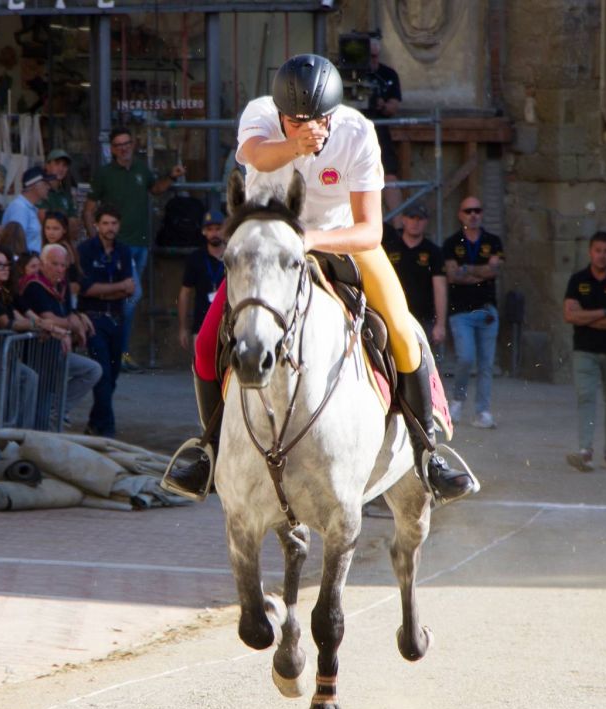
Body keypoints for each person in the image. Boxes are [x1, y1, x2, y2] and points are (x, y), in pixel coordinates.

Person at [165, 53, 477, 504]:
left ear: (332, 114)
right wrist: (296, 146)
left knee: (404, 332)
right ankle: (207, 450)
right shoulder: (259, 114)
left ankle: (427, 451)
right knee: (207, 340)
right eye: (295, 121)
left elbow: (370, 229)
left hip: (338, 242)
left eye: (317, 121)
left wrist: (311, 239)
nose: (308, 127)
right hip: (269, 249)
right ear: (280, 114)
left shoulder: (357, 131)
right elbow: (256, 155)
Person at [83, 127, 185, 372]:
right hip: (119, 246)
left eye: (126, 143)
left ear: (133, 144)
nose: (123, 148)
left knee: (124, 298)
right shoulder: (105, 174)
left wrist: (171, 177)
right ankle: (119, 350)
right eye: (118, 145)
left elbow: (155, 189)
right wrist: (95, 240)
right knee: (132, 296)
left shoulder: (141, 168)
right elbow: (89, 209)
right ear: (112, 149)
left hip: (141, 244)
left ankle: (116, 351)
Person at [562, 230, 606, 472]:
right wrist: (604, 312)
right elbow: (569, 315)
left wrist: (586, 317)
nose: (602, 256)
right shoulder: (577, 280)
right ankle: (585, 451)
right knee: (586, 396)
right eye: (598, 251)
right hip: (585, 350)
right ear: (590, 252)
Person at [20, 243, 103, 430]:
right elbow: (49, 318)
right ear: (43, 264)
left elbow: (69, 314)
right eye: (54, 264)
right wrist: (72, 325)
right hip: (37, 355)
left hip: (55, 352)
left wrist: (77, 319)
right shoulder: (34, 285)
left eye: (63, 265)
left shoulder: (61, 284)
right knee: (38, 419)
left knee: (93, 370)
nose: (59, 269)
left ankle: (59, 409)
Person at [443, 196, 503, 430]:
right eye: (468, 211)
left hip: (486, 310)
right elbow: (452, 275)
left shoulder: (493, 241)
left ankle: (483, 411)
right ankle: (457, 400)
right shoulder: (451, 242)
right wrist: (480, 272)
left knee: (486, 363)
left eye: (477, 210)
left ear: (482, 213)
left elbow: (494, 271)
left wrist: (466, 269)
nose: (473, 215)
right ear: (460, 214)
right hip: (461, 311)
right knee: (466, 357)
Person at [75, 205, 134, 437]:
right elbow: (86, 289)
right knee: (103, 373)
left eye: (114, 223)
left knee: (113, 373)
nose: (110, 228)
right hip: (94, 319)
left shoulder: (124, 250)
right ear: (97, 225)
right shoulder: (85, 250)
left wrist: (104, 291)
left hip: (117, 318)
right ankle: (107, 428)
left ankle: (95, 422)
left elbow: (130, 289)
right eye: (106, 223)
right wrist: (116, 289)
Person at [383, 204, 446, 351]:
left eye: (420, 219)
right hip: (394, 316)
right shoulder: (389, 248)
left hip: (424, 319)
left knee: (426, 363)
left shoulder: (434, 252)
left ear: (426, 222)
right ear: (403, 220)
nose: (415, 222)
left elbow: (440, 288)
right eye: (411, 217)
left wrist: (440, 324)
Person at [362, 34, 404, 217]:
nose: (373, 61)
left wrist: (382, 105)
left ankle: (398, 225)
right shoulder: (351, 75)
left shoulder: (388, 74)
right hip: (355, 130)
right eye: (369, 57)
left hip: (379, 130)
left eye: (375, 56)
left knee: (389, 175)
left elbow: (394, 105)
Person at [177, 210, 225, 352]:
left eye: (218, 229)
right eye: (210, 229)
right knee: (202, 364)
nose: (214, 233)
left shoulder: (234, 256)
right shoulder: (196, 258)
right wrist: (183, 327)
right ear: (204, 232)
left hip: (229, 325)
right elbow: (185, 293)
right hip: (202, 325)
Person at [2, 166, 49, 254]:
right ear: (35, 185)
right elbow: (16, 243)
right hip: (23, 260)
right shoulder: (19, 208)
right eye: (45, 183)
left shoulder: (29, 208)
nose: (48, 187)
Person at [42, 149, 81, 240]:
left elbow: (74, 227)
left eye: (64, 165)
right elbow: (44, 223)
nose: (61, 169)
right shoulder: (41, 192)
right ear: (47, 166)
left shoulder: (65, 195)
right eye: (57, 164)